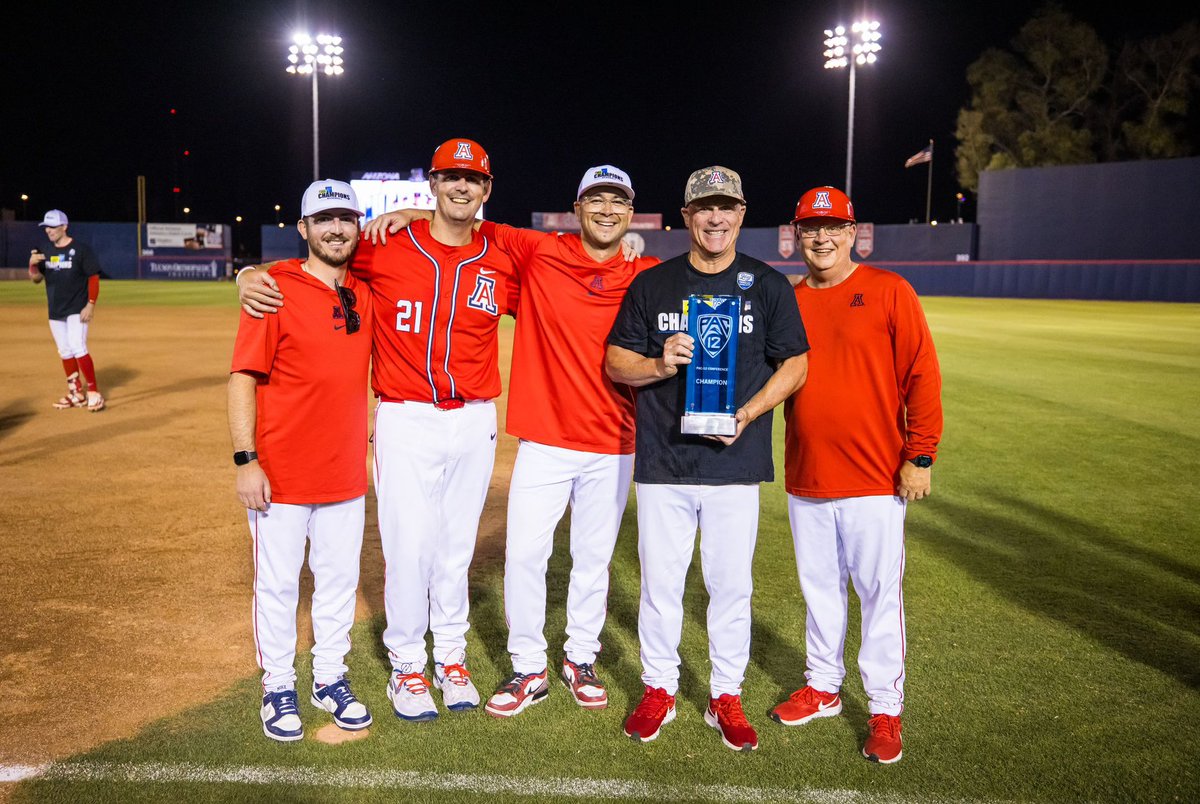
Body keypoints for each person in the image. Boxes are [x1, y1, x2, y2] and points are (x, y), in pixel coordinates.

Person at [364, 164, 661, 718]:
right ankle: (528, 666)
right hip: (543, 438)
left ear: (631, 210)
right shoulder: (534, 248)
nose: (605, 209)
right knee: (525, 556)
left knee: (593, 559)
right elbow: (460, 220)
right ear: (577, 208)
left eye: (617, 200)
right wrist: (411, 214)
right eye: (595, 199)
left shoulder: (647, 275)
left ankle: (580, 657)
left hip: (616, 438)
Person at [238, 139, 519, 722]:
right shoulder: (380, 251)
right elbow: (315, 259)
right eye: (449, 178)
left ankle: (451, 657)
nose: (460, 187)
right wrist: (246, 272)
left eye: (472, 180)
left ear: (486, 190)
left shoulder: (500, 256)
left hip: (474, 420)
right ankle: (407, 666)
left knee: (454, 550)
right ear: (433, 184)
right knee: (409, 550)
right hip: (405, 418)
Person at [605, 167, 810, 752]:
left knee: (730, 587)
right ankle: (659, 688)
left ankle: (725, 695)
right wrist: (660, 365)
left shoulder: (768, 285)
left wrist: (746, 415)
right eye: (704, 209)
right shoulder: (654, 284)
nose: (715, 219)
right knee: (661, 585)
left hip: (735, 465)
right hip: (665, 463)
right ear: (686, 216)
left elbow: (795, 365)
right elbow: (617, 361)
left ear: (741, 214)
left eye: (726, 208)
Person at [770, 186, 943, 765]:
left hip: (875, 478)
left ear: (853, 233)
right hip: (808, 473)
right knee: (819, 592)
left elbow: (922, 374)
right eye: (810, 228)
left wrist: (919, 457)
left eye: (833, 228)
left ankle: (885, 708)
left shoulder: (889, 290)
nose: (821, 238)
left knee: (877, 596)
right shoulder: (788, 300)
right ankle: (823, 687)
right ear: (797, 236)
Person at [228, 179, 375, 742]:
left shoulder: (365, 293)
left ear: (357, 227)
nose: (336, 229)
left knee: (339, 582)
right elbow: (242, 377)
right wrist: (246, 459)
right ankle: (278, 686)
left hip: (344, 474)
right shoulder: (274, 290)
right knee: (278, 585)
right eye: (324, 220)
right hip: (281, 476)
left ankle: (330, 678)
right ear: (304, 229)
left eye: (346, 219)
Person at [28, 209, 106, 412]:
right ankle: (75, 393)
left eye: (52, 227)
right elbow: (36, 280)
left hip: (77, 308)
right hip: (55, 309)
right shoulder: (45, 250)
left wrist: (90, 304)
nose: (48, 231)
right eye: (46, 227)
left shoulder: (81, 250)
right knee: (65, 350)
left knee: (78, 346)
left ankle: (94, 392)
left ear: (64, 226)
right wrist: (33, 266)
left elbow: (93, 278)